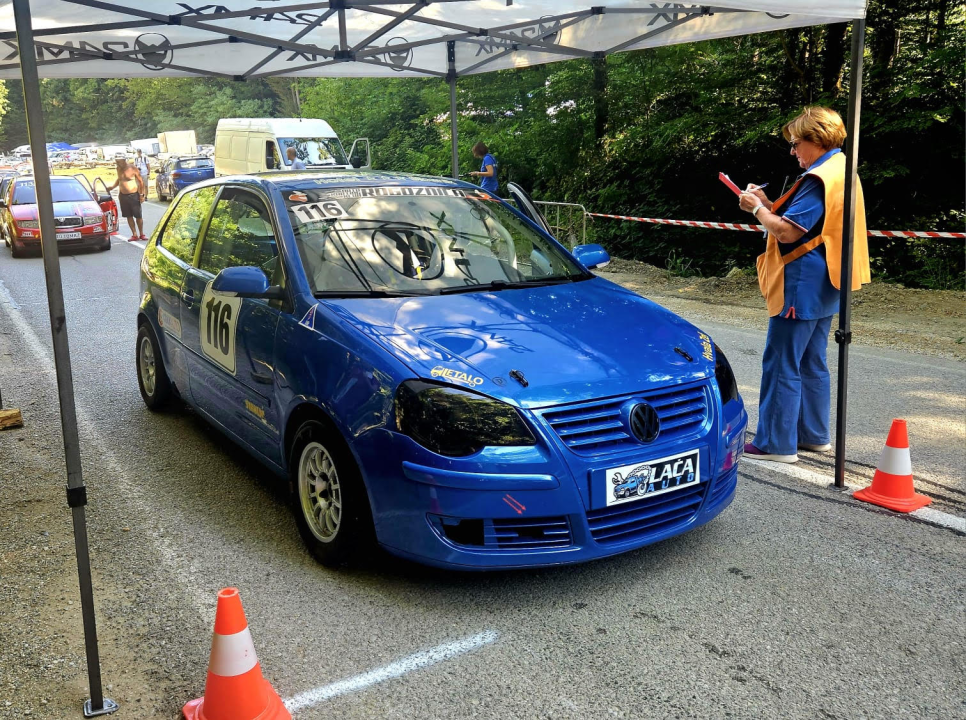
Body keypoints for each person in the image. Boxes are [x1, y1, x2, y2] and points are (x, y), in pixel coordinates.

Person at [738, 106, 871, 463]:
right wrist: (769, 203)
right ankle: (813, 435)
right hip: (829, 282)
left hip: (801, 281)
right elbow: (812, 221)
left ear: (817, 140)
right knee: (813, 360)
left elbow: (787, 231)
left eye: (797, 144)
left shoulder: (817, 178)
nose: (793, 151)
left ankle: (774, 444)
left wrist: (755, 209)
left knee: (781, 362)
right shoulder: (842, 169)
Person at [107, 158, 146, 241]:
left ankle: (141, 234)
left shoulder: (132, 168)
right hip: (123, 196)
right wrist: (113, 187)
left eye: (118, 162)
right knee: (129, 215)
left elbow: (140, 181)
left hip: (133, 195)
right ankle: (134, 234)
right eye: (116, 161)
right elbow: (120, 179)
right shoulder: (118, 169)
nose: (117, 163)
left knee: (138, 216)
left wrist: (142, 194)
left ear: (124, 160)